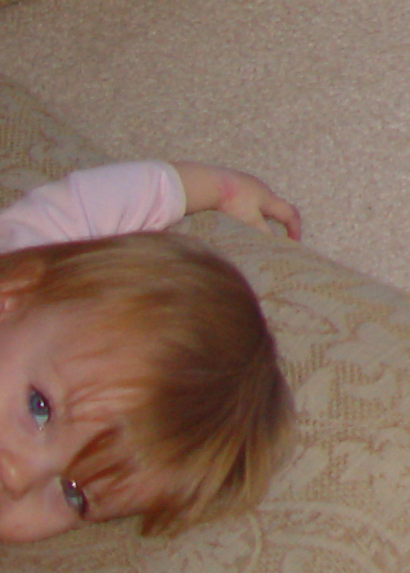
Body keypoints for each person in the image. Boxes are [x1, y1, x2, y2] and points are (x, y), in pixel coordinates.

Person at [0, 159, 299, 542]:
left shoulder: (34, 318)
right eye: (38, 407)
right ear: (11, 295)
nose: (17, 477)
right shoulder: (20, 252)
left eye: (74, 495)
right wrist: (218, 186)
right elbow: (92, 204)